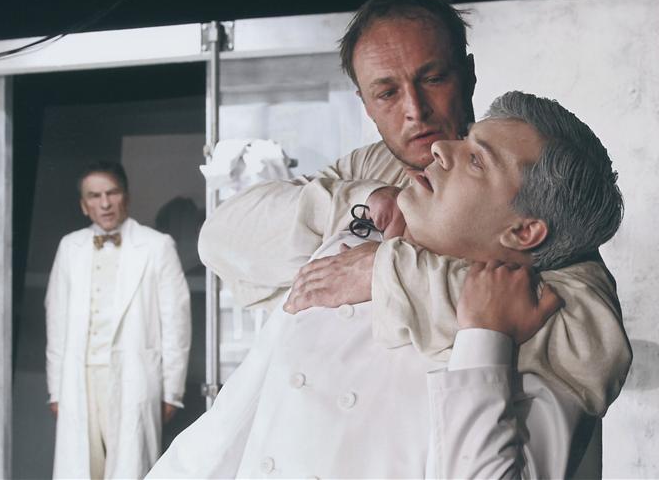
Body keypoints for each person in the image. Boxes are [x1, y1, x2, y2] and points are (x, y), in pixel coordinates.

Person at [198, 0, 631, 419]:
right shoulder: (368, 169)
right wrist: (364, 201)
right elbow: (222, 240)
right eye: (387, 93)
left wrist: (384, 273)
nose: (415, 110)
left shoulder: (523, 185)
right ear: (366, 105)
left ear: (468, 75)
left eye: (433, 79)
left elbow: (592, 350)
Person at [148, 91, 624, 478]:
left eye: (477, 160)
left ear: (523, 232)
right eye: (385, 91)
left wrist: (481, 335)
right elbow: (232, 422)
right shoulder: (349, 246)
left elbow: (596, 345)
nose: (440, 147)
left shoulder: (527, 341)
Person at [45, 161, 191, 479]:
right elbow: (56, 321)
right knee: (83, 469)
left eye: (112, 193)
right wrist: (56, 390)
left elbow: (176, 325)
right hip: (81, 377)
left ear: (126, 196)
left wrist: (172, 392)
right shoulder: (70, 247)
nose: (105, 203)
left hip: (133, 375)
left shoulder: (157, 246)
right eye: (94, 196)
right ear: (84, 205)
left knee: (130, 468)